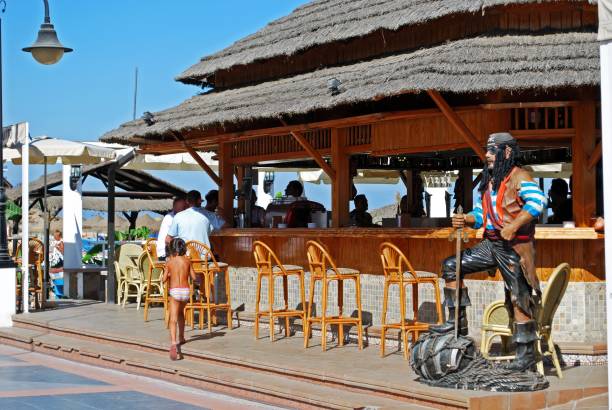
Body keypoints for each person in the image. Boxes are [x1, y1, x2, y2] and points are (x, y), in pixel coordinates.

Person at [430, 132, 547, 372]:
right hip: (491, 244)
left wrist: (514, 226)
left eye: (492, 150)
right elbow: (481, 215)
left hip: (514, 248)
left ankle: (526, 353)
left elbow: (538, 202)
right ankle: (456, 323)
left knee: (518, 295)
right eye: (487, 150)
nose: (487, 155)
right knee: (452, 266)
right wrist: (466, 218)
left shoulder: (520, 176)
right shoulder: (489, 182)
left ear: (506, 152)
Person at [162, 238, 196, 361]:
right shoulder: (187, 261)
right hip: (186, 292)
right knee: (181, 313)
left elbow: (164, 279)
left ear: (172, 249)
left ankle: (173, 342)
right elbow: (194, 277)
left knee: (173, 318)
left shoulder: (170, 262)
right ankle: (182, 337)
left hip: (175, 291)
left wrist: (169, 273)